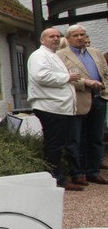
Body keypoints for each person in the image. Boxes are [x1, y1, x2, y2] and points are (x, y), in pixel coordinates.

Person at [28, 28, 84, 191]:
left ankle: (57, 177)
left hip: (58, 107)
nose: (55, 39)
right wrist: (67, 77)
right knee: (54, 145)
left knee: (57, 144)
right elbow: (41, 76)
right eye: (51, 36)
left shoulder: (52, 55)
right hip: (50, 107)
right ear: (42, 40)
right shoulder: (39, 56)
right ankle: (56, 179)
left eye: (58, 36)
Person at [58, 25, 108, 184]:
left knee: (96, 137)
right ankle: (78, 173)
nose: (80, 38)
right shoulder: (61, 56)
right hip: (77, 99)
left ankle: (93, 171)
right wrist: (85, 83)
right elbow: (62, 77)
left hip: (98, 98)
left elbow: (105, 73)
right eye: (75, 35)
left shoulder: (96, 52)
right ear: (68, 38)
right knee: (77, 138)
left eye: (82, 34)